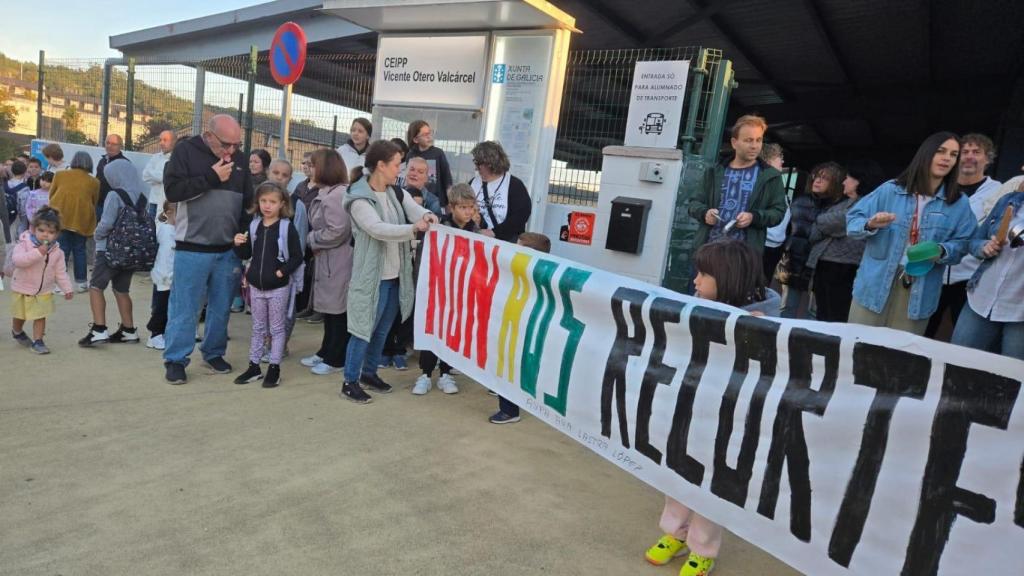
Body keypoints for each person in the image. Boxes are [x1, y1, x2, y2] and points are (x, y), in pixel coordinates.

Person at [645, 238, 779, 576]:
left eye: (703, 274)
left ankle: (703, 548)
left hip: (728, 420)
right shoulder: (694, 307)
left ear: (729, 278)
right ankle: (674, 533)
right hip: (688, 408)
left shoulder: (766, 323)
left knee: (713, 484)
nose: (695, 281)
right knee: (676, 472)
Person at [846, 132, 976, 335]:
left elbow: (966, 242)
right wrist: (870, 224)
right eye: (940, 151)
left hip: (920, 289)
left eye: (953, 154)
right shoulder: (891, 190)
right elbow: (852, 221)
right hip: (874, 285)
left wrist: (941, 251)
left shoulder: (959, 202)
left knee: (899, 357)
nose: (946, 158)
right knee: (857, 348)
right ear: (926, 154)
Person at [339, 140, 437, 404]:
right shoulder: (358, 197)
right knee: (362, 330)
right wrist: (413, 228)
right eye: (396, 165)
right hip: (373, 278)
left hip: (395, 275)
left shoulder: (395, 191)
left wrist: (428, 214)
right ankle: (350, 380)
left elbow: (414, 208)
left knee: (382, 330)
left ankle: (369, 374)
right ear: (381, 165)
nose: (400, 170)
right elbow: (376, 228)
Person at [161, 114, 253, 385]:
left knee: (221, 307)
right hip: (192, 247)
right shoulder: (185, 152)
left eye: (237, 144)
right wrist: (211, 177)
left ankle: (213, 353)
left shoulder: (241, 159)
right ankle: (176, 359)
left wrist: (243, 239)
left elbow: (248, 202)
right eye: (227, 144)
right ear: (209, 135)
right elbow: (173, 191)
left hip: (228, 249)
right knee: (185, 308)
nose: (232, 151)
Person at [925, 133, 1002, 339]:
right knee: (922, 333)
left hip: (972, 280)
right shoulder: (937, 187)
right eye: (964, 152)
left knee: (964, 341)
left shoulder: (1000, 192)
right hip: (932, 272)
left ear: (988, 158)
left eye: (976, 152)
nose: (969, 156)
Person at [412, 183, 484, 395]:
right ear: (451, 207)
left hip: (461, 291)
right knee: (432, 330)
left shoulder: (476, 231)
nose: (468, 212)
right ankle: (425, 374)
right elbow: (424, 259)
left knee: (452, 333)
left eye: (472, 207)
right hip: (437, 289)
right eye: (463, 207)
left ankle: (446, 374)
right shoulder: (439, 227)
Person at [232, 182, 303, 387]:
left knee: (277, 329)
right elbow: (247, 254)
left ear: (282, 204)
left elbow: (297, 256)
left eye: (272, 202)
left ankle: (274, 368)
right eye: (263, 201)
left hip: (278, 288)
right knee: (258, 328)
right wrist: (238, 245)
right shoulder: (254, 226)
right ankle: (254, 366)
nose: (267, 206)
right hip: (256, 287)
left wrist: (281, 272)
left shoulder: (286, 227)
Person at [689, 115, 787, 258]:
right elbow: (693, 203)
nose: (754, 146)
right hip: (707, 252)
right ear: (734, 143)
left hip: (743, 258)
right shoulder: (714, 172)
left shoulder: (771, 176)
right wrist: (705, 213)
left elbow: (778, 212)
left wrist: (754, 217)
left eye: (758, 140)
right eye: (748, 140)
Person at [78, 160, 146, 347]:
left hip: (110, 249)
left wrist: (96, 234)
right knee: (122, 290)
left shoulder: (114, 195)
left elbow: (107, 223)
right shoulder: (141, 196)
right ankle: (129, 330)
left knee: (96, 287)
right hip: (131, 251)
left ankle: (99, 329)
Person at [950, 190, 1024, 360]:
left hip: (1020, 312)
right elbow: (975, 241)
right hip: (981, 298)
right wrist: (984, 247)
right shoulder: (1009, 200)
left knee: (1013, 377)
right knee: (957, 361)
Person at [489, 231, 552, 424]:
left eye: (518, 247)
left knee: (507, 361)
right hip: (517, 322)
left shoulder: (528, 272)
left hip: (519, 324)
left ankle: (509, 410)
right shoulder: (540, 271)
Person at [300, 149, 353, 376]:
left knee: (337, 310)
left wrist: (312, 239)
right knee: (330, 310)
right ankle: (325, 351)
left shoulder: (336, 195)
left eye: (313, 165)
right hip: (329, 259)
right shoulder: (326, 193)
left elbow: (338, 231)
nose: (309, 169)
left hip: (337, 260)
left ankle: (335, 357)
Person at [807, 163, 875, 322]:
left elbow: (833, 222)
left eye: (848, 178)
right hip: (825, 264)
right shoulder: (842, 203)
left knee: (835, 316)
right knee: (822, 314)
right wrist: (822, 223)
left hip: (843, 267)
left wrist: (820, 221)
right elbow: (815, 231)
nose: (844, 182)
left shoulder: (867, 203)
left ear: (859, 181)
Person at [779, 162, 846, 318]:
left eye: (825, 178)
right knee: (786, 309)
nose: (817, 180)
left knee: (814, 313)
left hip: (820, 267)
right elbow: (787, 231)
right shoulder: (799, 201)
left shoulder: (840, 208)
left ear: (836, 183)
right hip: (793, 262)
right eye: (816, 176)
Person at [9, 206, 74, 354]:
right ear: (33, 229)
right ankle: (17, 330)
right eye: (42, 230)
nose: (46, 235)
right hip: (23, 287)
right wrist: (37, 253)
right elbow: (18, 261)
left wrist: (67, 288)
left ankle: (38, 341)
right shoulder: (24, 244)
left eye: (51, 232)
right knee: (21, 315)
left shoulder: (57, 252)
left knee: (40, 316)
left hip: (43, 290)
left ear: (57, 234)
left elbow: (61, 272)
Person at [48, 152, 99, 292]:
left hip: (60, 217)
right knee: (80, 251)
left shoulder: (60, 175)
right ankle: (81, 283)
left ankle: (58, 285)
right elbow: (94, 201)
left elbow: (51, 194)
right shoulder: (94, 182)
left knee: (62, 250)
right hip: (82, 220)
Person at [469, 141, 531, 242]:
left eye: (478, 163)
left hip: (504, 243)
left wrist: (494, 232)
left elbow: (521, 215)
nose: (476, 168)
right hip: (477, 239)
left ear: (490, 163)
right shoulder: (473, 183)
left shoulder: (514, 185)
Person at [146, 201, 177, 351]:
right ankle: (155, 335)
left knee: (168, 307)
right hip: (164, 277)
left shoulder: (176, 230)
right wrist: (165, 276)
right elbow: (164, 257)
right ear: (169, 212)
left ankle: (162, 333)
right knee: (161, 307)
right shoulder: (164, 230)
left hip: (172, 277)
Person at [760, 143, 789, 283]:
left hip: (775, 248)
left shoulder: (777, 183)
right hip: (761, 244)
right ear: (767, 159)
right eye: (779, 157)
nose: (782, 161)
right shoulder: (762, 182)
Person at [406, 120, 454, 207]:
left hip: (437, 202)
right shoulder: (410, 155)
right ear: (416, 139)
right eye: (425, 135)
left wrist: (450, 202)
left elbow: (447, 178)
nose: (429, 137)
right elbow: (408, 178)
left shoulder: (438, 153)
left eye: (429, 133)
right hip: (415, 201)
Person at [142, 130, 176, 219]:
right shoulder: (155, 157)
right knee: (151, 229)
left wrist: (153, 174)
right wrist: (162, 176)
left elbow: (167, 178)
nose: (161, 143)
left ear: (174, 141)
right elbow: (145, 176)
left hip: (167, 204)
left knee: (163, 229)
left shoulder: (176, 158)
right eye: (160, 140)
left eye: (165, 140)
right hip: (153, 201)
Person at [96, 134, 129, 220]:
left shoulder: (125, 164)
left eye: (114, 144)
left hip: (114, 208)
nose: (110, 146)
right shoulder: (102, 161)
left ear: (120, 146)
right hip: (99, 205)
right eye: (108, 143)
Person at [16, 171, 53, 237]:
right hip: (34, 221)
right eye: (43, 179)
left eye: (48, 181)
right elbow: (28, 207)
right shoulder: (33, 193)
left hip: (49, 223)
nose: (44, 183)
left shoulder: (54, 195)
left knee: (46, 238)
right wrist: (31, 219)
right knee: (34, 239)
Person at [4, 160, 28, 230]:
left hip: (5, 215)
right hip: (17, 217)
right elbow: (23, 208)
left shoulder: (5, 184)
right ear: (24, 171)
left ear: (12, 170)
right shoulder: (24, 187)